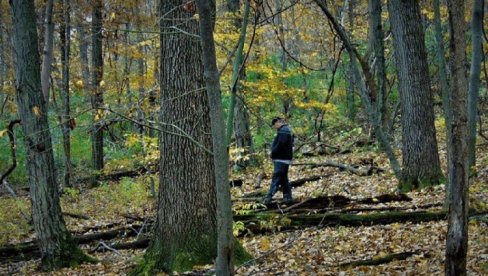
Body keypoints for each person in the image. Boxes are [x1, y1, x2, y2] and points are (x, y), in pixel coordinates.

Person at [264, 117, 294, 204]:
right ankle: (288, 197)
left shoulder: (284, 131)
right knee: (283, 178)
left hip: (282, 159)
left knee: (276, 177)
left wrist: (273, 152)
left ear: (277, 122)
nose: (274, 127)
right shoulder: (284, 130)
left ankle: (269, 197)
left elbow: (281, 144)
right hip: (283, 158)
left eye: (274, 125)